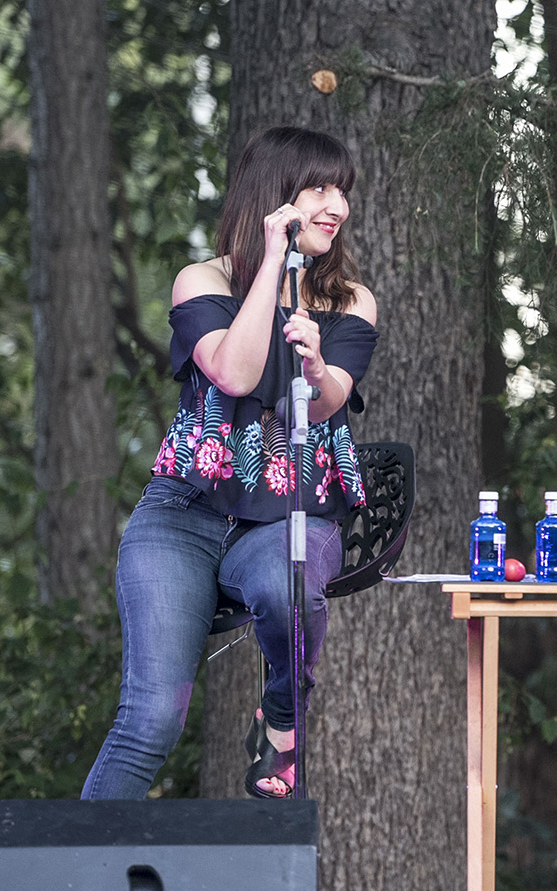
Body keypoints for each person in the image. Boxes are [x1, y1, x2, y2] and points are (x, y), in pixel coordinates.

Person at [83, 126, 379, 800]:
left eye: (343, 192)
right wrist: (271, 265)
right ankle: (84, 865)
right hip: (183, 512)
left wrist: (315, 365)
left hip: (293, 512)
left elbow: (329, 403)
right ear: (275, 195)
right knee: (150, 720)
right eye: (319, 189)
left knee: (286, 588)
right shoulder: (202, 281)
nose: (337, 207)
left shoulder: (350, 300)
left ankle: (281, 717)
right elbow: (235, 374)